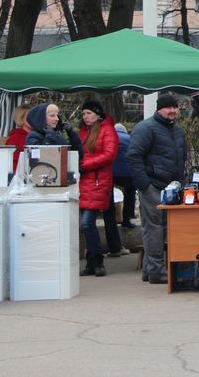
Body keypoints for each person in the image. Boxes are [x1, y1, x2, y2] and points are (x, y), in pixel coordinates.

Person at [128, 93, 186, 285]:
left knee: (158, 228)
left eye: (175, 107)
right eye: (168, 107)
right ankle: (156, 271)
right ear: (159, 109)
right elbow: (134, 156)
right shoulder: (145, 128)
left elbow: (180, 158)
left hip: (171, 187)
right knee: (155, 229)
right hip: (153, 186)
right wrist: (145, 185)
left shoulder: (176, 130)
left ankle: (149, 270)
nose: (172, 111)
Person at [77, 101, 121, 276]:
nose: (85, 116)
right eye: (83, 113)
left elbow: (109, 155)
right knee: (87, 224)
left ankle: (96, 260)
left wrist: (85, 164)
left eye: (88, 113)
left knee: (88, 222)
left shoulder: (107, 130)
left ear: (97, 114)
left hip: (97, 181)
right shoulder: (83, 132)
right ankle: (92, 260)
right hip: (85, 181)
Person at [113, 123, 137, 229]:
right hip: (128, 174)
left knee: (108, 196)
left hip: (111, 173)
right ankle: (127, 219)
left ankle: (111, 220)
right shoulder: (130, 138)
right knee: (130, 192)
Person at [5, 105, 31, 172]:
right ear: (21, 119)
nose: (34, 118)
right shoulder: (15, 138)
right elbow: (10, 164)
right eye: (30, 116)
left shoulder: (40, 137)